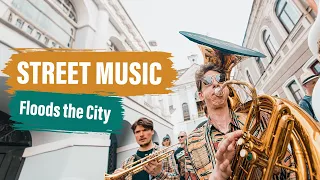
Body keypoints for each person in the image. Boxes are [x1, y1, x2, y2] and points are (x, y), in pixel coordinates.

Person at [179, 31, 295, 180]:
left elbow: (289, 164)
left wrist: (274, 166)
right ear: (200, 96)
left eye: (220, 79)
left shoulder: (257, 120)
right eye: (207, 82)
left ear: (227, 87)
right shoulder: (192, 142)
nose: (215, 83)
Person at [113, 118, 179, 180]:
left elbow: (177, 178)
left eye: (145, 130)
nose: (141, 134)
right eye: (137, 132)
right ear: (135, 135)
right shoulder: (127, 161)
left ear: (152, 131)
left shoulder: (165, 152)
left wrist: (159, 173)